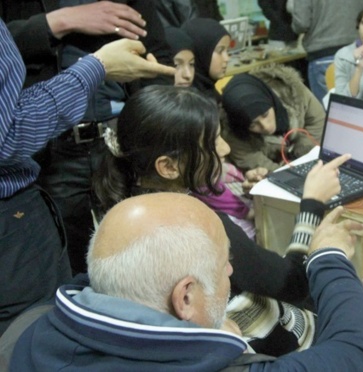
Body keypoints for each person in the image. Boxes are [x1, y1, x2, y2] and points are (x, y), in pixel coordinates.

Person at [94, 84, 349, 356]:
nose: (225, 148)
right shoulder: (204, 229)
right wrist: (311, 204)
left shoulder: (116, 216)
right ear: (168, 167)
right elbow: (294, 284)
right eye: (214, 142)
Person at [9, 192, 363, 370]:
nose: (232, 273)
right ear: (184, 298)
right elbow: (357, 351)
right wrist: (329, 255)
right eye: (225, 266)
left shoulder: (26, 331)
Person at [0, 15, 175, 336]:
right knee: (35, 334)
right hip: (42, 165)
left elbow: (158, 49)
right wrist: (64, 33)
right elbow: (8, 129)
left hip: (110, 137)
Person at [165, 18, 264, 239]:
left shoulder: (206, 97)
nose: (187, 74)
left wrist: (244, 178)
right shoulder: (177, 116)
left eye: (191, 64)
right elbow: (203, 181)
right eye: (176, 64)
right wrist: (248, 209)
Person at [221, 64, 325, 172]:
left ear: (271, 100)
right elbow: (263, 166)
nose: (266, 126)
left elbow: (317, 120)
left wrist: (301, 151)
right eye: (253, 124)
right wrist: (292, 174)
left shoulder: (291, 90)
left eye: (265, 114)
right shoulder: (233, 133)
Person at [291, 0, 363, 103]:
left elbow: (301, 23)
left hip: (323, 53)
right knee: (357, 112)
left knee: (329, 114)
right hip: (358, 54)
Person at [166, 17, 230, 102]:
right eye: (220, 51)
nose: (227, 58)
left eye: (227, 50)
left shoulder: (210, 93)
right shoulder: (191, 101)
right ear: (201, 51)